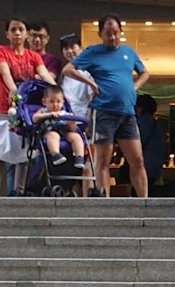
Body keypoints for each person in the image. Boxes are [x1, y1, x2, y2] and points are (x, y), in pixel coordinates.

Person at [63, 14, 149, 198]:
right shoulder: (93, 52)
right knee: (102, 160)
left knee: (138, 160)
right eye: (108, 33)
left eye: (116, 33)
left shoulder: (129, 52)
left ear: (121, 32)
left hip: (127, 112)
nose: (113, 37)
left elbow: (144, 73)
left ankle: (145, 203)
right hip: (103, 112)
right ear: (100, 34)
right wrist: (91, 83)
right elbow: (68, 70)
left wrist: (135, 86)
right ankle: (106, 204)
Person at [0, 17, 56, 197]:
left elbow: (42, 73)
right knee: (0, 152)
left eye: (20, 30)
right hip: (5, 108)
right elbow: (4, 72)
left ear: (26, 34)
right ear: (7, 34)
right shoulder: (0, 51)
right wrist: (13, 89)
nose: (17, 33)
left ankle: (19, 192)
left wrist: (56, 90)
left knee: (24, 153)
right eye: (13, 30)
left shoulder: (33, 56)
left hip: (26, 110)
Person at [32, 85, 86, 168]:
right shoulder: (43, 111)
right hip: (49, 132)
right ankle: (56, 155)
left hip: (64, 132)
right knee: (54, 135)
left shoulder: (65, 113)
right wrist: (48, 115)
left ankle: (79, 157)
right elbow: (34, 118)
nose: (55, 104)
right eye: (51, 101)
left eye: (58, 102)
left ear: (63, 102)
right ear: (44, 102)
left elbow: (72, 129)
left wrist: (71, 121)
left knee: (76, 136)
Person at [58, 33, 94, 124]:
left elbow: (92, 98)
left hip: (82, 119)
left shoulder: (88, 71)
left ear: (80, 48)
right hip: (66, 119)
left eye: (72, 47)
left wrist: (89, 121)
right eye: (66, 48)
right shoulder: (63, 73)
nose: (69, 51)